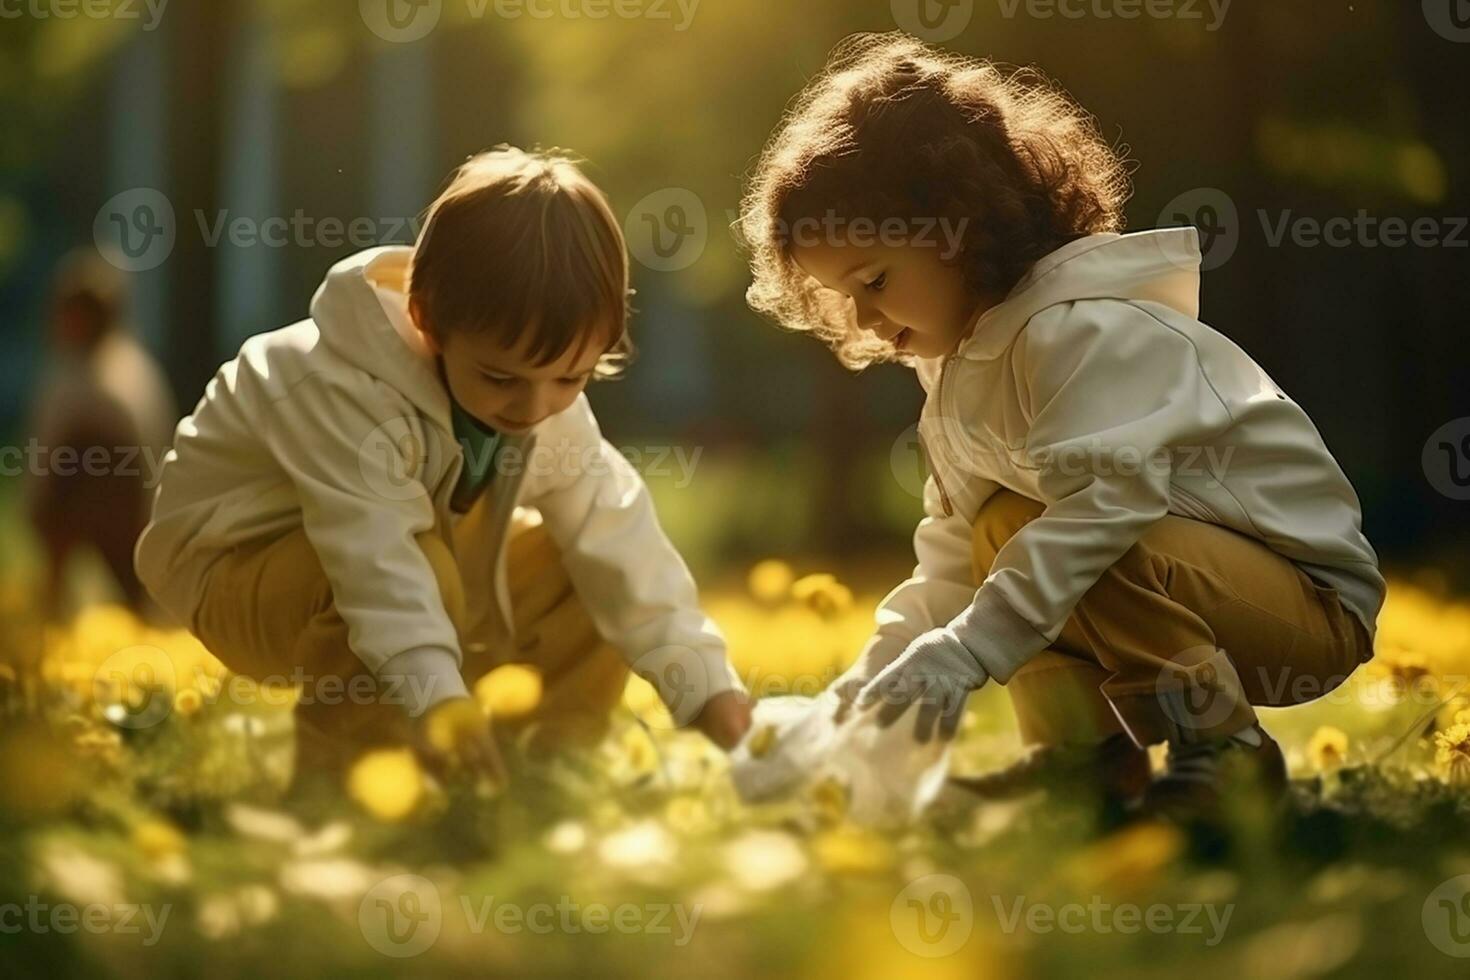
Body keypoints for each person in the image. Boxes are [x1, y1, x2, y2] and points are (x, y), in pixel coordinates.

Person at [739, 34, 1384, 816]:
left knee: (1078, 529)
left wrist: (969, 650)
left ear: (962, 226)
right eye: (846, 297)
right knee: (1000, 525)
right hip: (1183, 575)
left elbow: (1107, 509)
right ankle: (1082, 763)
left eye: (875, 279)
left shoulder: (1076, 331)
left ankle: (1223, 750)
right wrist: (850, 700)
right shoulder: (955, 372)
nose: (866, 318)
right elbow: (950, 563)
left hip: (1305, 605)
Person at [136, 146, 751, 783]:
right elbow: (376, 564)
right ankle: (349, 808)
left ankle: (540, 782)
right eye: (500, 376)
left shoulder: (538, 395)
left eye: (570, 377)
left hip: (413, 557)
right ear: (428, 318)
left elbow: (620, 538)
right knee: (415, 576)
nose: (535, 405)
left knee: (583, 570)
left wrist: (709, 690)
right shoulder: (338, 386)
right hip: (232, 570)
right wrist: (441, 707)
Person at [27, 248, 176, 622]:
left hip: (128, 520)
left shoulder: (110, 380)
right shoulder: (110, 368)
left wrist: (41, 510)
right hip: (134, 520)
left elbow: (51, 467)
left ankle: (58, 600)